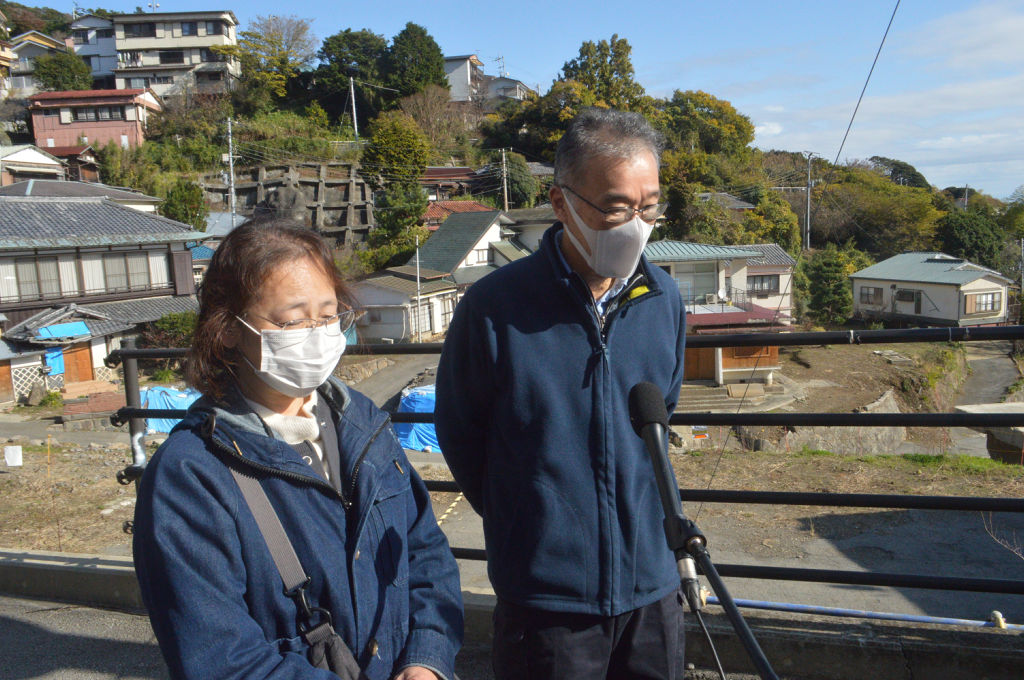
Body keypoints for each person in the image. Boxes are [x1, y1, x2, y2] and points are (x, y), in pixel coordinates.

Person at [133, 219, 462, 680]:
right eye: (292, 320)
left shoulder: (363, 421)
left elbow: (424, 549)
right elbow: (221, 660)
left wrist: (426, 657)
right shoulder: (190, 476)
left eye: (329, 316)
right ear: (228, 328)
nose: (317, 334)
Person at [435, 108, 687, 679]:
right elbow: (460, 434)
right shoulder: (495, 307)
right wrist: (532, 521)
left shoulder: (663, 297)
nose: (636, 225)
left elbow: (659, 414)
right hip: (546, 601)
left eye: (649, 208)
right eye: (617, 207)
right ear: (561, 202)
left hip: (653, 586)